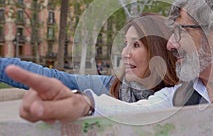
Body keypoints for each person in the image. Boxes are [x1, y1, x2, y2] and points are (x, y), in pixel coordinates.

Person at [6, 0, 213, 135]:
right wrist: (84, 104)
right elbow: (130, 112)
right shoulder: (176, 97)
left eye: (180, 32)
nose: (171, 45)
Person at [1, 13, 179, 102]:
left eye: (136, 45)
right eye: (126, 43)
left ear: (157, 53)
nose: (125, 53)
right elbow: (55, 78)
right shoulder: (112, 87)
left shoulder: (183, 96)